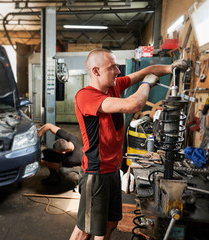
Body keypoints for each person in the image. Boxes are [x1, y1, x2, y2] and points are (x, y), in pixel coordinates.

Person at [70, 48, 188, 240]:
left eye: (117, 66)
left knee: (109, 224)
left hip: (112, 170)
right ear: (96, 71)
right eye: (112, 67)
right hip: (96, 173)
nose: (118, 71)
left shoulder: (113, 86)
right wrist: (146, 84)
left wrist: (170, 68)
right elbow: (134, 104)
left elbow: (144, 71)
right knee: (85, 229)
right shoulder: (86, 96)